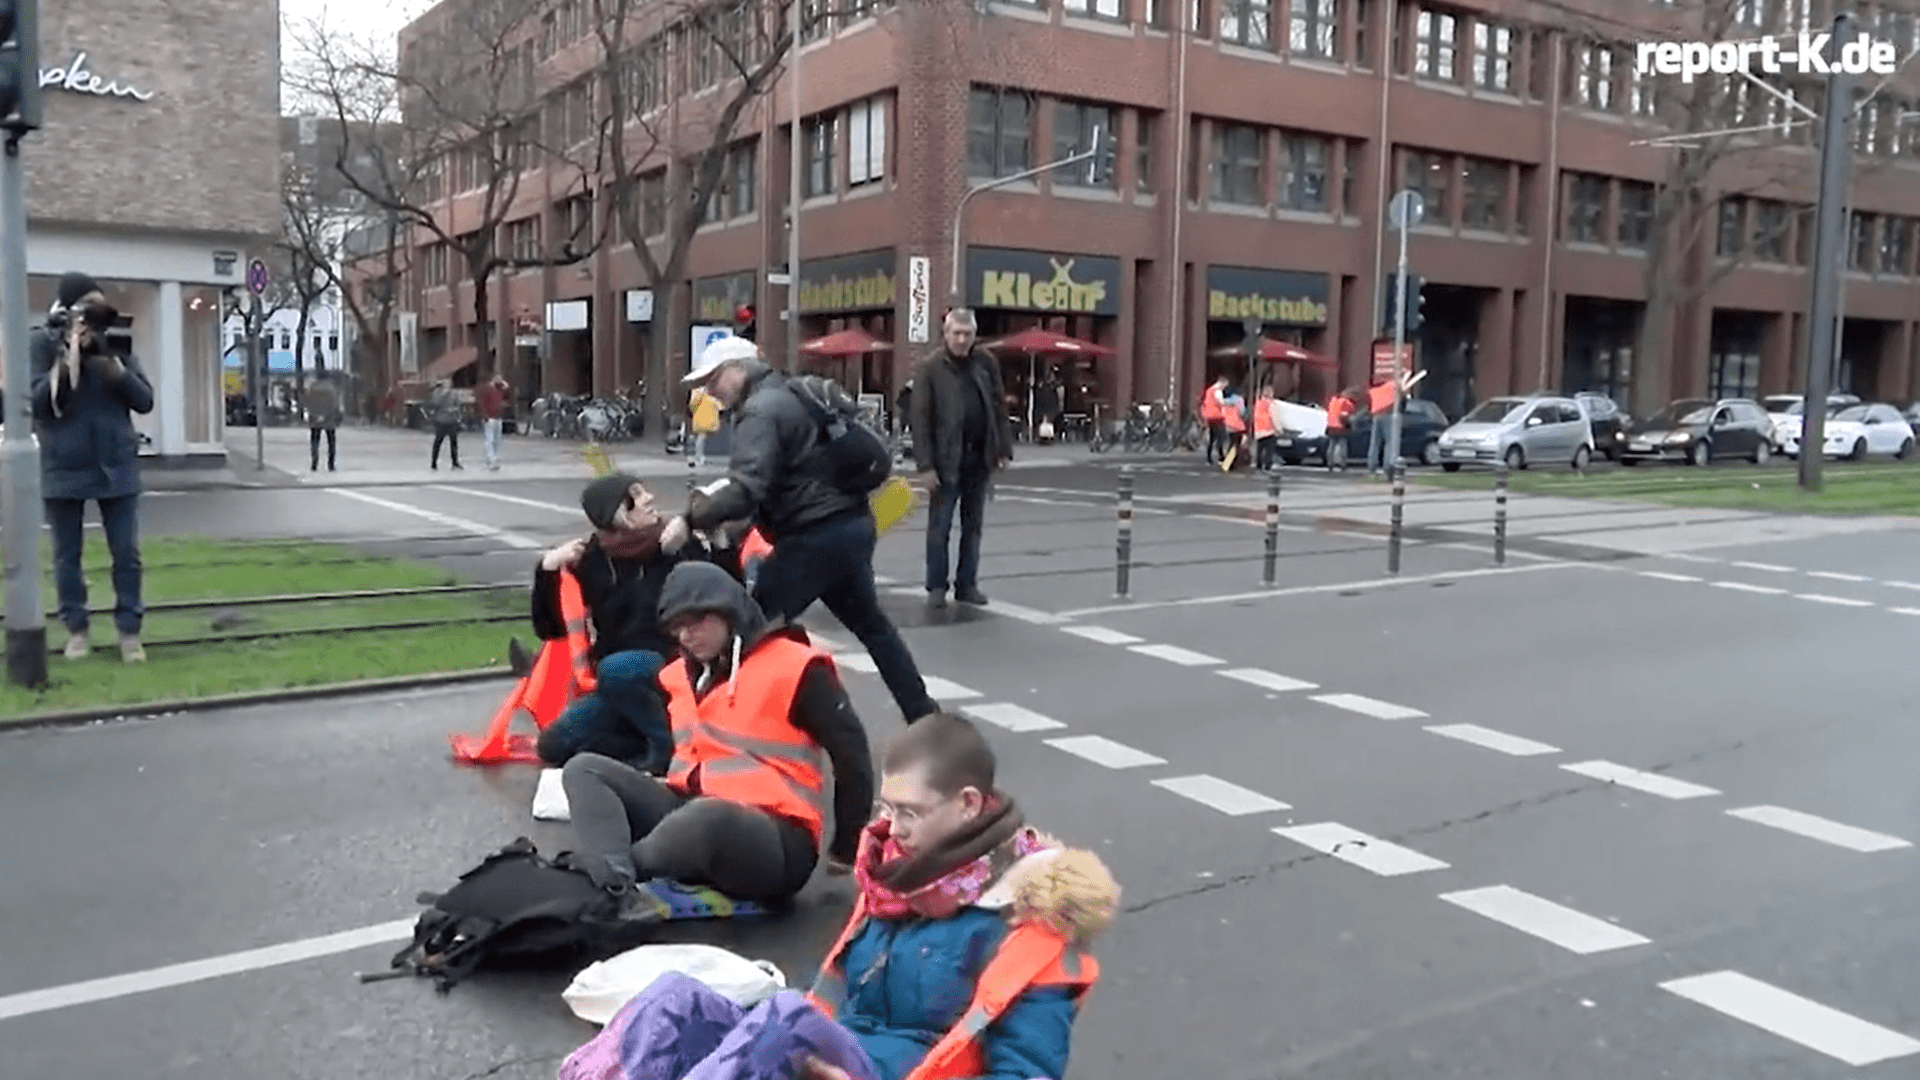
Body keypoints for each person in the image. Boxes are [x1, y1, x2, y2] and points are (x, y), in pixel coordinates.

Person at [557, 712, 1120, 1080]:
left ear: (969, 804)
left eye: (910, 813)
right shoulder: (905, 880)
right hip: (838, 1055)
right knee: (675, 999)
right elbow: (835, 999)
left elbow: (1026, 1073)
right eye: (887, 808)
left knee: (782, 1017)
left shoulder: (1031, 919)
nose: (892, 830)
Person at [558, 561, 874, 909]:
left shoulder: (795, 666)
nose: (686, 635)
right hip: (690, 815)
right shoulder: (678, 675)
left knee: (709, 815)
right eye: (677, 627)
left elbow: (852, 754)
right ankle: (615, 878)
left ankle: (609, 882)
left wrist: (846, 845)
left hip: (776, 839)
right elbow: (683, 752)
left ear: (730, 613)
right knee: (584, 768)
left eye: (696, 621)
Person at [666, 336, 938, 724]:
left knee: (748, 625)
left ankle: (726, 722)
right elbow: (786, 476)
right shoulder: (789, 392)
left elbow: (747, 485)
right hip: (850, 526)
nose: (710, 393)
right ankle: (924, 715)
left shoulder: (758, 412)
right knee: (874, 629)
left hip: (812, 537)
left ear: (737, 370)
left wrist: (691, 519)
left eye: (714, 381)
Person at [531, 474, 739, 772]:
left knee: (619, 669)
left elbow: (730, 597)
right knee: (553, 745)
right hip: (618, 685)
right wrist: (547, 570)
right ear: (615, 514)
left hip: (674, 667)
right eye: (636, 496)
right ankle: (647, 738)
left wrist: (716, 545)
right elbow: (550, 629)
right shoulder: (593, 559)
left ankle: (666, 749)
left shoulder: (675, 544)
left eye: (644, 492)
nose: (649, 499)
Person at [30, 273, 155, 663]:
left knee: (126, 554)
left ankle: (129, 633)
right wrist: (67, 361)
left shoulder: (114, 343)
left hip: (115, 464)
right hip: (62, 465)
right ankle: (77, 630)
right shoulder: (41, 343)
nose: (92, 321)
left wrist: (113, 368)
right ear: (66, 312)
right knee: (67, 556)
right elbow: (36, 402)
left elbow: (145, 400)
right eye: (86, 310)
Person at [909, 308, 1013, 609]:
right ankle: (936, 586)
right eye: (956, 333)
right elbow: (921, 418)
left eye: (967, 334)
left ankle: (967, 584)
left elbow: (997, 406)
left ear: (974, 336)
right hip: (945, 461)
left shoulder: (985, 362)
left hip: (978, 458)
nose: (962, 339)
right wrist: (925, 466)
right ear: (946, 334)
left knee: (973, 526)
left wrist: (1002, 449)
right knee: (939, 527)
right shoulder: (930, 367)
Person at [303, 371, 342, 472]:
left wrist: (315, 415)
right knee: (331, 442)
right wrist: (326, 415)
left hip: (315, 419)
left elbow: (308, 403)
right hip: (329, 419)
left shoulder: (312, 388)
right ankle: (331, 464)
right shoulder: (331, 388)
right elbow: (334, 404)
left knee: (315, 442)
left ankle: (314, 463)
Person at [475, 373, 508, 471]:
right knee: (490, 439)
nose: (500, 381)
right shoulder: (486, 389)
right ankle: (491, 459)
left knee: (497, 439)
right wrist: (485, 416)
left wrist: (505, 387)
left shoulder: (499, 390)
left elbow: (506, 397)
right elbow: (481, 403)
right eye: (498, 379)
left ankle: (490, 457)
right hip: (489, 418)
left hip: (498, 417)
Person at [428, 379, 463, 470]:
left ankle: (455, 462)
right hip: (441, 421)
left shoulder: (454, 393)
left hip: (452, 420)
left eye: (448, 383)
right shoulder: (438, 393)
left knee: (454, 443)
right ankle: (434, 462)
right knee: (438, 442)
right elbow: (434, 403)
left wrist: (456, 411)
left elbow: (459, 404)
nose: (447, 385)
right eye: (445, 384)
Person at [688, 380, 721, 468]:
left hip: (707, 417)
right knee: (701, 437)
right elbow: (693, 404)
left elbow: (719, 405)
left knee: (702, 437)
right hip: (703, 417)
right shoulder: (700, 392)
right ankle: (699, 457)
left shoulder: (711, 393)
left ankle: (700, 456)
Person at [1199, 374, 1229, 464]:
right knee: (1220, 437)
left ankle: (1209, 457)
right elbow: (1221, 402)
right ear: (1221, 383)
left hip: (1210, 417)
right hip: (1217, 417)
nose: (1224, 388)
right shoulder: (1217, 391)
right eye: (1224, 386)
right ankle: (1221, 457)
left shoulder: (1209, 390)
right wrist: (1230, 403)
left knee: (1212, 438)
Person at [1252, 383, 1278, 472]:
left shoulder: (1258, 403)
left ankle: (1258, 465)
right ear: (1270, 393)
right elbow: (1273, 416)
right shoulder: (1270, 404)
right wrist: (1278, 428)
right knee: (1269, 450)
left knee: (1260, 449)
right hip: (1268, 429)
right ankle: (1267, 465)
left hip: (1259, 430)